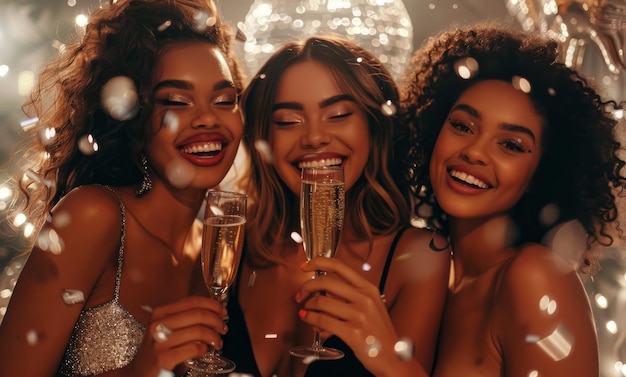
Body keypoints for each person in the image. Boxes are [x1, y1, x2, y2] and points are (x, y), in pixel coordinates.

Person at [0, 0, 244, 376]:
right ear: (136, 117)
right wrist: (140, 370)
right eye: (176, 101)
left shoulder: (213, 248)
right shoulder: (93, 215)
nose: (208, 117)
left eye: (225, 100)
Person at [399, 23, 626, 376]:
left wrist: (386, 362)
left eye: (511, 145)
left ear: (541, 175)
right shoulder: (436, 277)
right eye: (462, 126)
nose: (474, 152)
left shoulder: (533, 276)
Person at [219, 35, 450, 377]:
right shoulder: (232, 249)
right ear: (263, 138)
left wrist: (386, 354)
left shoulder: (421, 257)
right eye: (288, 120)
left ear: (373, 127)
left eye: (338, 114)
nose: (314, 137)